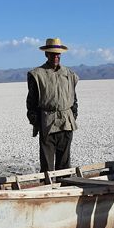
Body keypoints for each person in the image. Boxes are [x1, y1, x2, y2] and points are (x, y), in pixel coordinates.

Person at [26, 37, 79, 172]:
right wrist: (36, 121)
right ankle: (48, 189)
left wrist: (73, 115)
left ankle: (65, 188)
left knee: (64, 164)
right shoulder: (37, 74)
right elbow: (31, 102)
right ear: (46, 54)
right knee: (47, 165)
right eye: (53, 53)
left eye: (58, 53)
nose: (56, 56)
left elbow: (74, 98)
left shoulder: (69, 74)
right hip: (47, 123)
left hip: (66, 123)